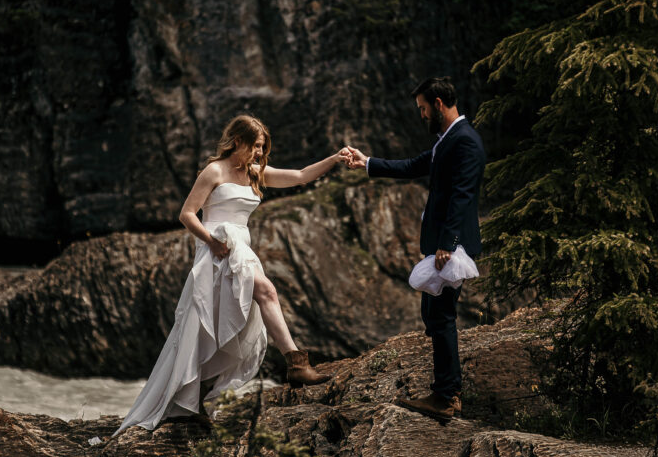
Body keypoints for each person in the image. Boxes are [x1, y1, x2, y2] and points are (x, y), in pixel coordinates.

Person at [114, 115, 345, 435]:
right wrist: (212, 242)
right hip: (216, 249)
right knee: (252, 299)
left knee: (230, 318)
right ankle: (296, 363)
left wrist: (334, 159)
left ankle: (197, 399)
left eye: (263, 148)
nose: (259, 154)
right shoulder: (214, 171)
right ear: (237, 141)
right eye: (255, 146)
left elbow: (300, 175)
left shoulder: (254, 173)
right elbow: (186, 214)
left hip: (240, 248)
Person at [344, 76, 486, 422]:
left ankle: (447, 395)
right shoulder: (447, 141)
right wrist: (366, 162)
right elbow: (412, 166)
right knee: (434, 315)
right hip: (444, 246)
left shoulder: (464, 141)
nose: (421, 115)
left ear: (438, 103)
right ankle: (445, 390)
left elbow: (462, 195)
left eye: (423, 108)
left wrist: (447, 244)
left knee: (441, 317)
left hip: (452, 249)